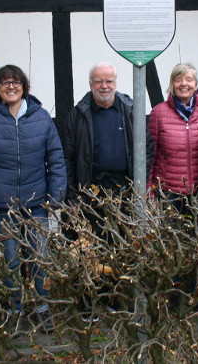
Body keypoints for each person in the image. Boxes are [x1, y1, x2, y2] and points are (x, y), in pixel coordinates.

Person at [0, 65, 66, 329]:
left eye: (16, 82)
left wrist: (56, 199)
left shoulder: (41, 117)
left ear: (24, 86)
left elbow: (56, 160)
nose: (10, 86)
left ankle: (42, 308)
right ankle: (14, 309)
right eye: (5, 82)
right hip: (1, 205)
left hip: (36, 204)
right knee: (10, 262)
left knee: (40, 260)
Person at [63, 62, 153, 317]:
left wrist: (139, 188)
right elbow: (68, 157)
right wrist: (72, 195)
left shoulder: (131, 109)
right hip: (89, 192)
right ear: (90, 84)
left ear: (116, 82)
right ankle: (87, 301)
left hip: (124, 191)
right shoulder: (78, 114)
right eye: (98, 81)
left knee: (119, 246)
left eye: (109, 81)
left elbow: (146, 149)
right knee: (87, 247)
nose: (104, 86)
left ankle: (114, 299)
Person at [149, 62, 198, 199]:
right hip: (169, 192)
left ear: (195, 84)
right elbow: (151, 154)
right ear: (172, 84)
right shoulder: (158, 113)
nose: (183, 84)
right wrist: (149, 190)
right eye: (178, 80)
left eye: (189, 79)